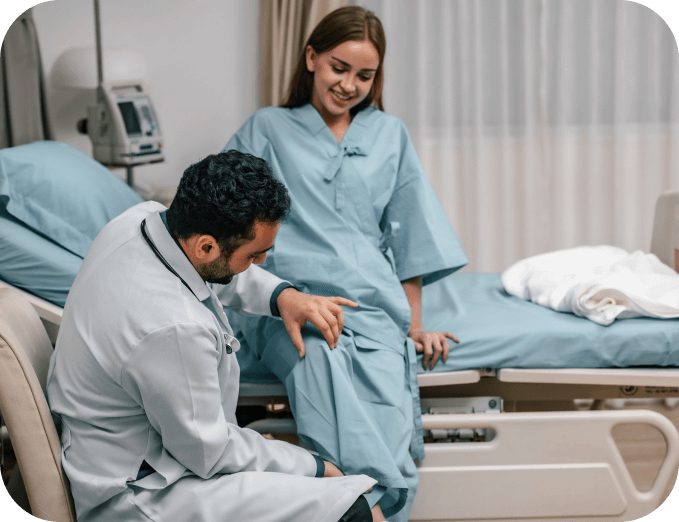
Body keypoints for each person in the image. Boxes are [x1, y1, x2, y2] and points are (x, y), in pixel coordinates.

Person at [222, 6, 468, 521]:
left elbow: (412, 236)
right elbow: (225, 215)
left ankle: (364, 504)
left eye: (364, 75)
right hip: (289, 300)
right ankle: (375, 505)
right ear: (311, 57)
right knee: (318, 356)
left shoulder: (389, 135)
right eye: (339, 67)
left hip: (372, 303)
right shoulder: (267, 127)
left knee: (383, 399)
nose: (349, 84)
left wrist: (415, 325)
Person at [46, 151, 377, 522]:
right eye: (254, 256)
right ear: (206, 246)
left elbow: (210, 269)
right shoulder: (172, 327)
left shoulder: (138, 222)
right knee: (354, 509)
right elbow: (210, 451)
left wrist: (282, 295)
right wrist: (315, 466)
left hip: (125, 449)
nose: (261, 263)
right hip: (140, 492)